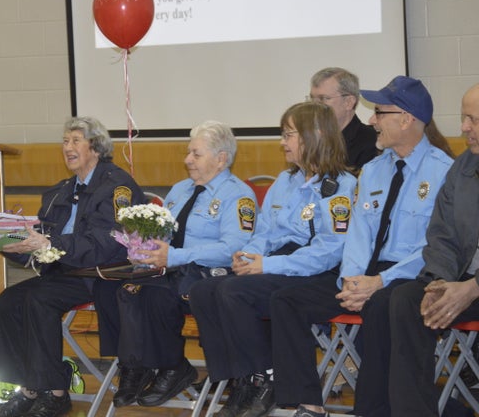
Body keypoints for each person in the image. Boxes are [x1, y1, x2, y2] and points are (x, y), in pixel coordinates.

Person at [269, 76, 454, 417]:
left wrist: (379, 282)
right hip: (364, 274)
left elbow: (436, 247)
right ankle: (306, 403)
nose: (371, 120)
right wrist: (351, 279)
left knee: (384, 303)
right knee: (287, 300)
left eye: (379, 113)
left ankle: (374, 409)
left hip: (409, 275)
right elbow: (358, 232)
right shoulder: (372, 170)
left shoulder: (444, 172)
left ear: (406, 119)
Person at [189, 102, 357, 417]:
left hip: (314, 273)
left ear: (315, 136)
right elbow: (266, 231)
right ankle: (238, 380)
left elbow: (327, 252)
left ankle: (265, 377)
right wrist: (249, 254)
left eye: (289, 134)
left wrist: (266, 265)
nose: (283, 142)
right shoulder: (285, 181)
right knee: (203, 291)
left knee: (232, 292)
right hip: (276, 264)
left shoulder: (342, 187)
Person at [0, 116, 145, 417]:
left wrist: (49, 244)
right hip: (63, 270)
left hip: (98, 274)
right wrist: (10, 245)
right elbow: (42, 239)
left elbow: (107, 242)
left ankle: (56, 393)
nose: (67, 147)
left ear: (95, 147)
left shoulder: (117, 187)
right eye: (65, 141)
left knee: (38, 299)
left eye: (75, 141)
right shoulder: (61, 190)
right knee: (10, 299)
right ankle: (29, 390)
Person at [112, 120, 258, 408]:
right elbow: (163, 233)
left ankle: (172, 367)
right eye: (188, 152)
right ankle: (136, 366)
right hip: (172, 268)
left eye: (196, 154)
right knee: (128, 289)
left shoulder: (238, 196)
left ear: (221, 159)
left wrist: (175, 256)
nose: (187, 160)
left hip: (212, 274)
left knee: (160, 294)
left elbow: (234, 249)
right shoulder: (180, 190)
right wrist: (143, 247)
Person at [388, 83, 479, 416]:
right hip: (460, 283)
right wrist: (438, 282)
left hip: (473, 286)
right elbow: (442, 234)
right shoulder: (464, 169)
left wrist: (472, 288)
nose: (464, 127)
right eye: (464, 118)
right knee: (405, 299)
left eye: (473, 119)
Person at [308, 67, 377, 171]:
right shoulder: (310, 140)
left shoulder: (370, 143)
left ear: (349, 102)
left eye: (323, 98)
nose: (314, 106)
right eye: (312, 99)